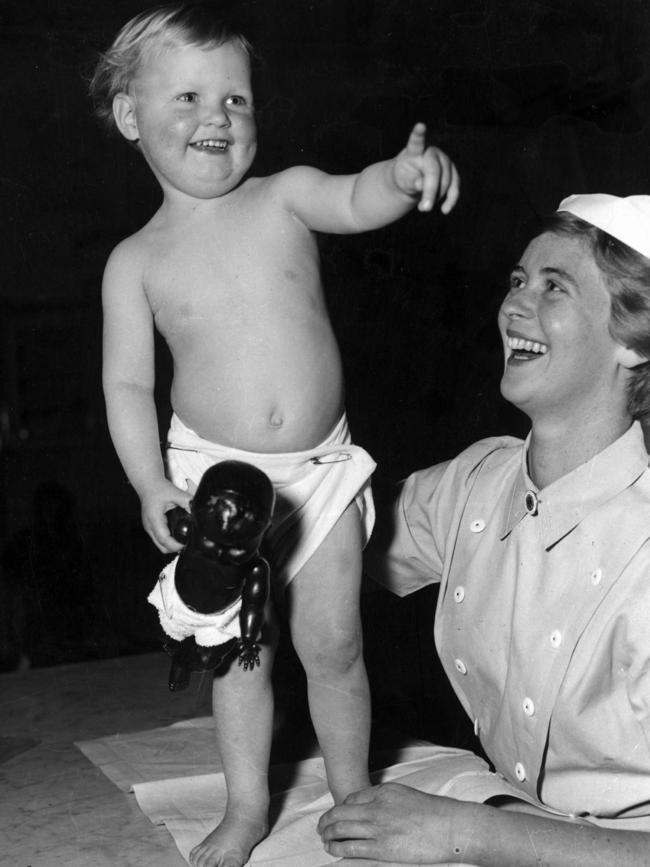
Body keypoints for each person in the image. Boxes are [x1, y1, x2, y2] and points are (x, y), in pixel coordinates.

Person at [89, 4, 460, 866]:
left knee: (333, 641)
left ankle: (354, 794)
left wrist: (400, 178)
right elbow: (127, 383)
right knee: (240, 658)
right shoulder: (135, 260)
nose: (218, 116)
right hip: (213, 486)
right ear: (131, 116)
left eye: (237, 100)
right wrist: (150, 483)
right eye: (188, 96)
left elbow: (353, 198)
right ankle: (248, 805)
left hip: (321, 468)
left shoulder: (284, 195)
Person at [318, 193, 650, 866]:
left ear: (632, 342)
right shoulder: (479, 481)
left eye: (554, 287)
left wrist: (470, 831)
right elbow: (331, 546)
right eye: (518, 281)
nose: (515, 305)